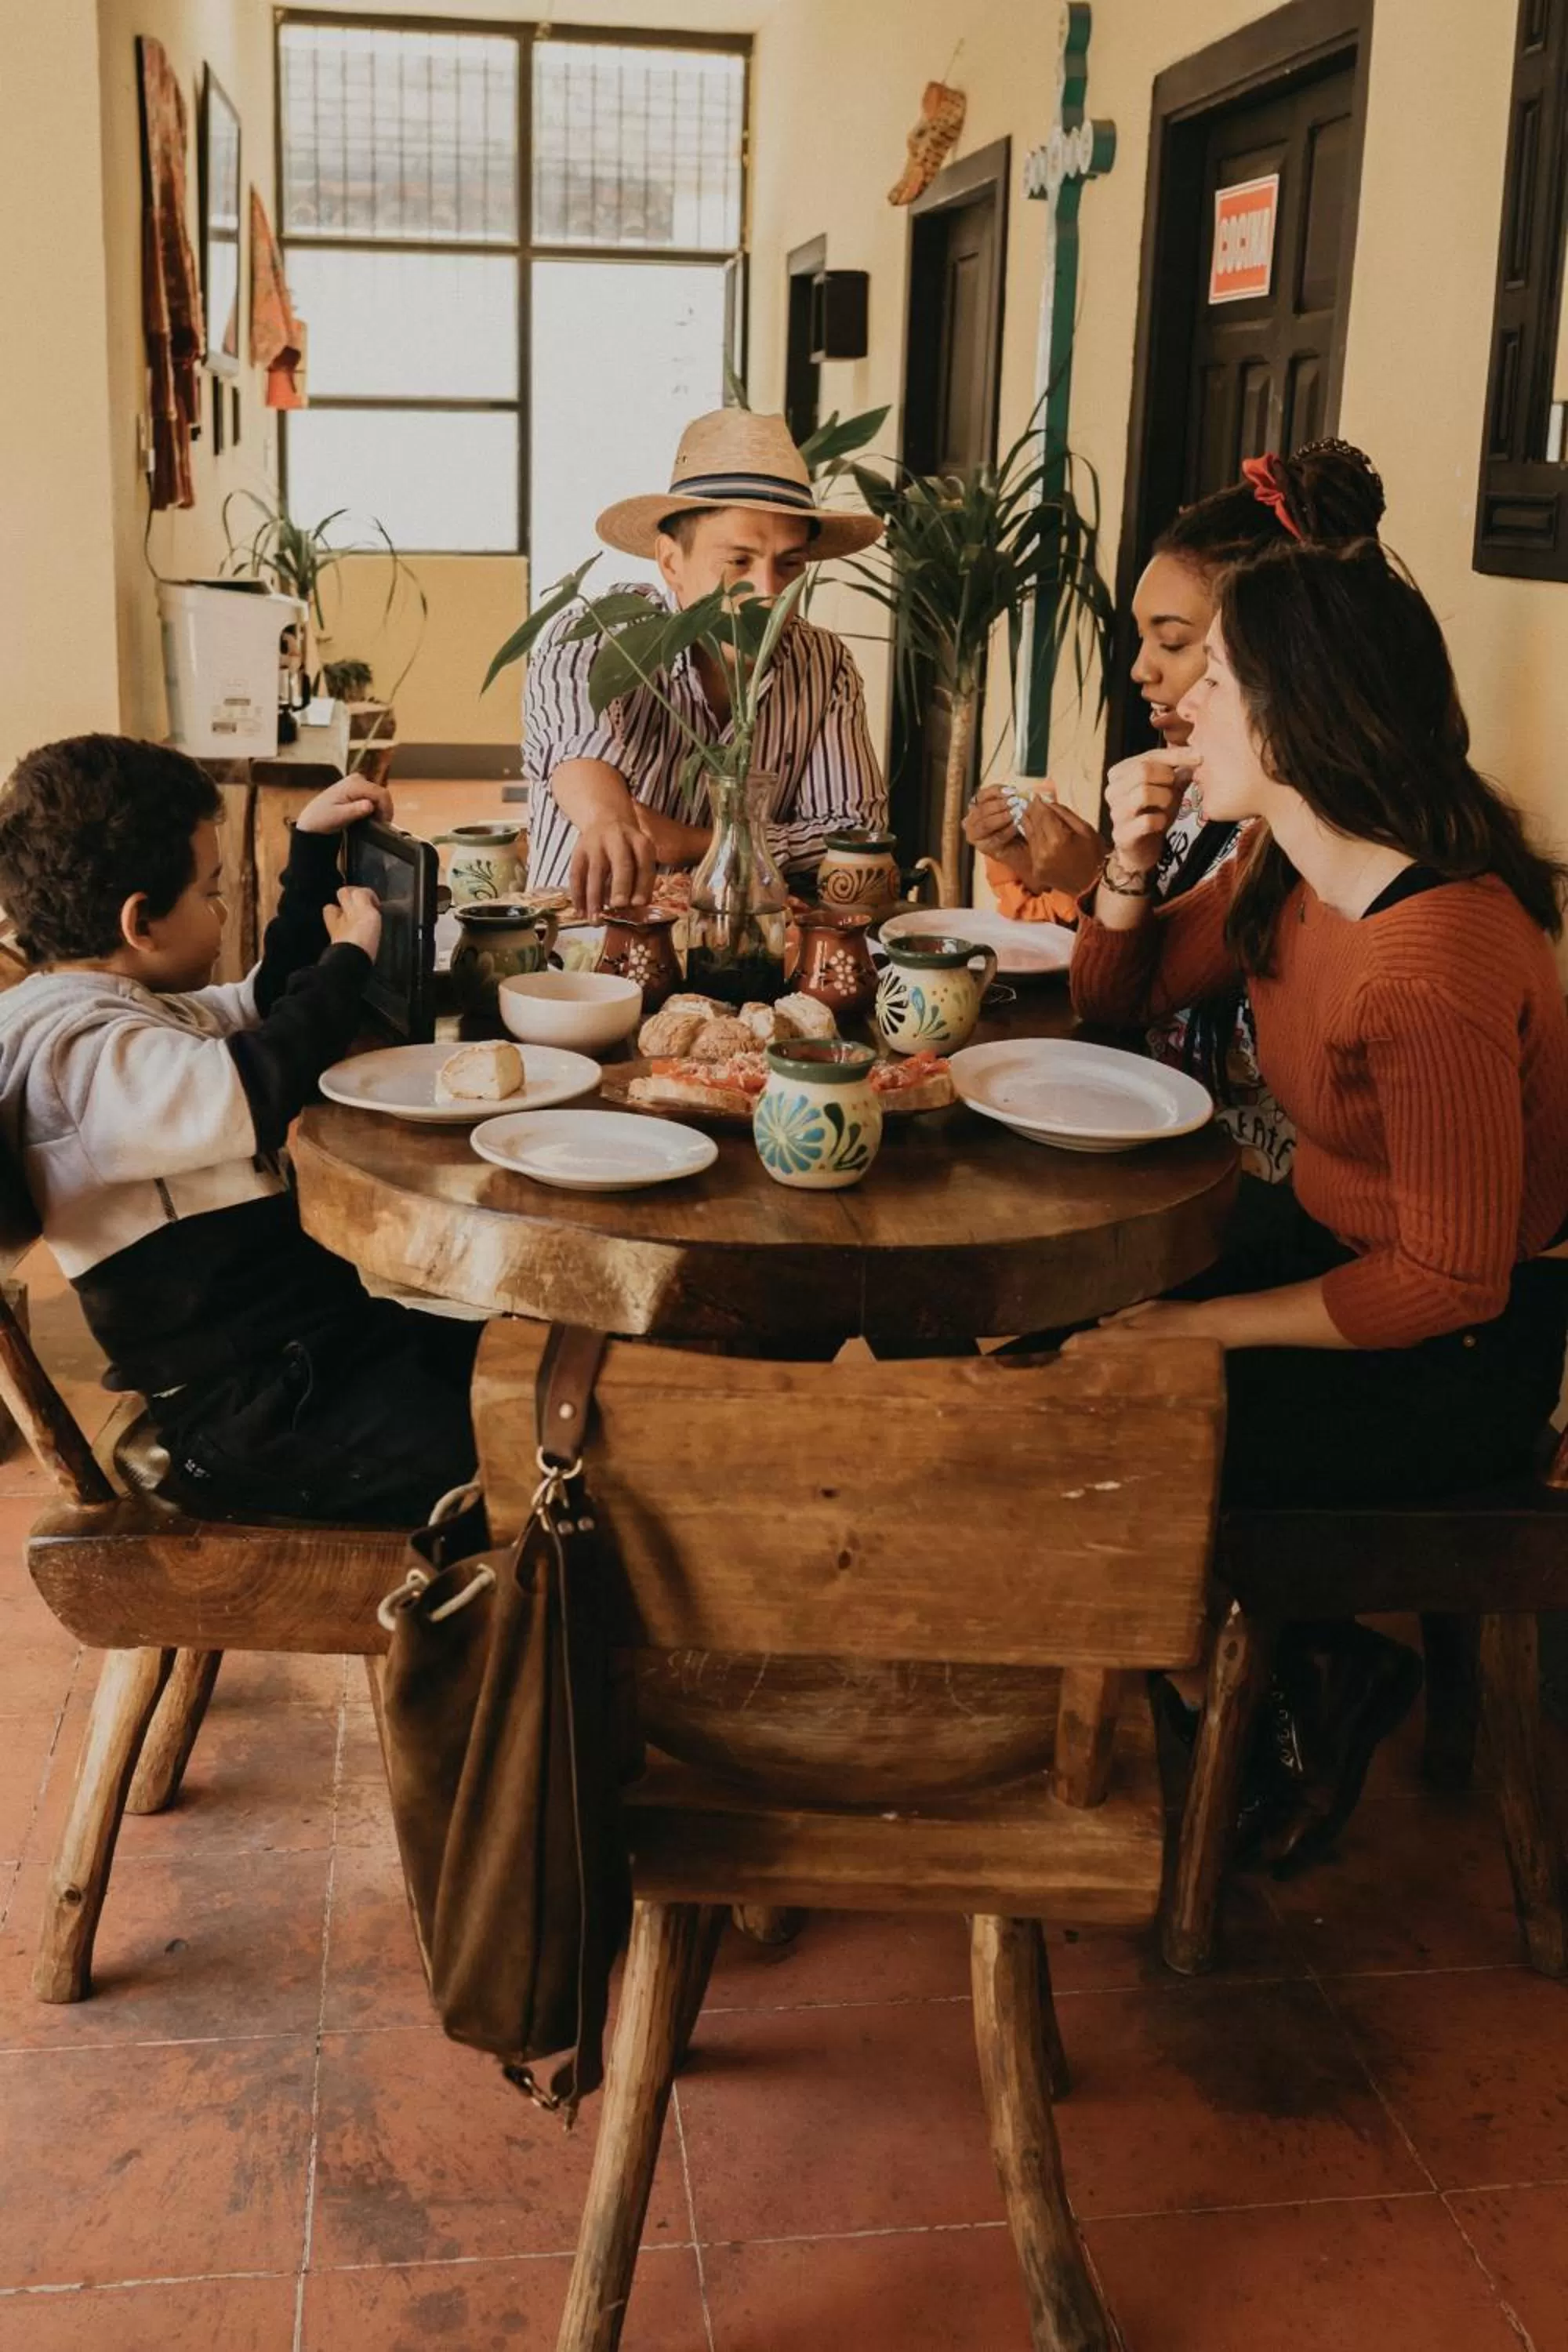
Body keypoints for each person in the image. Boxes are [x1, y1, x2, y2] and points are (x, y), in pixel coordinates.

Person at [1065, 538, 1568, 1865]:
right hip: (1334, 1252)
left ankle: (1299, 1679)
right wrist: (1127, 863)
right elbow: (1114, 1002)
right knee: (1048, 1354)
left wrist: (1200, 1334)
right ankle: (1247, 1667)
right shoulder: (1287, 864)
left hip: (1457, 1354)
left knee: (1110, 1416)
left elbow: (1457, 1279)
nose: (1180, 704)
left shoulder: (1426, 957)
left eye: (1216, 678)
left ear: (1300, 712)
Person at [0, 735, 480, 1526]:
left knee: (524, 1370)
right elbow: (252, 1084)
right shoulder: (78, 1058)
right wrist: (349, 961)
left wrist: (312, 851)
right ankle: (484, 1630)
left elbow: (265, 1005)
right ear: (141, 922)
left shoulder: (113, 1009)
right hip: (252, 1419)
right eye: (212, 892)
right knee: (516, 1452)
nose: (223, 914)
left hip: (314, 1357)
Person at [965, 440, 1388, 1191]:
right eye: (1142, 638)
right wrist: (1084, 873)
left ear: (1279, 657)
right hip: (1158, 1134)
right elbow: (1118, 991)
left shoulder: (1314, 837)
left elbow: (1130, 995)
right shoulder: (1203, 788)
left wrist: (1100, 877)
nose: (1141, 671)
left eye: (1179, 644)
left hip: (1243, 1182)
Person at [524, 408, 887, 917]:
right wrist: (610, 818)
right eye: (738, 562)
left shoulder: (824, 665)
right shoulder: (599, 633)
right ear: (671, 562)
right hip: (581, 956)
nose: (767, 592)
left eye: (789, 565)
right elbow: (572, 743)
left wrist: (697, 842)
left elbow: (853, 838)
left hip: (749, 965)